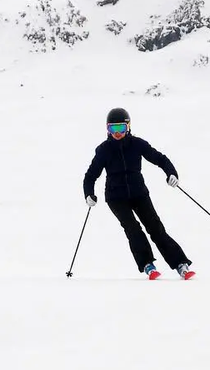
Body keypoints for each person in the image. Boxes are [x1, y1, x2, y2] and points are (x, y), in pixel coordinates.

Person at [83, 107, 194, 280]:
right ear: (107, 129)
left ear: (128, 127)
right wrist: (88, 194)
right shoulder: (103, 150)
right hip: (116, 198)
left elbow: (160, 159)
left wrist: (171, 173)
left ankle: (180, 263)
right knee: (133, 229)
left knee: (155, 227)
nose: (117, 133)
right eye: (113, 129)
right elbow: (90, 176)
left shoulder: (137, 144)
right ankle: (147, 264)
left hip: (139, 194)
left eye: (121, 128)